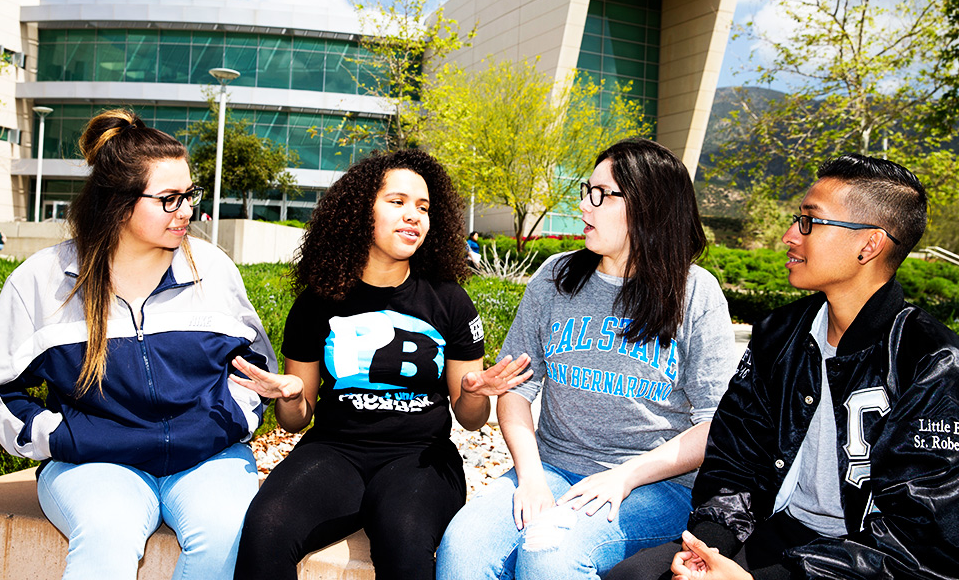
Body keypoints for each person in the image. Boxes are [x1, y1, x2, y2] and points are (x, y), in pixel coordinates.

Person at [608, 153, 959, 580]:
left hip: (862, 559)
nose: (790, 235)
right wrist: (709, 549)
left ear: (869, 244)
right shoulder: (781, 334)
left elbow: (922, 542)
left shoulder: (932, 361)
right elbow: (734, 460)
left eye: (810, 221)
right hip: (780, 530)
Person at [0, 109, 277, 580]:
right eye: (169, 199)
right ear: (117, 202)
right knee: (108, 534)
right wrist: (56, 435)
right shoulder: (44, 279)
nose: (186, 210)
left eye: (189, 195)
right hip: (95, 463)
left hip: (209, 457)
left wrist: (234, 413)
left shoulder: (213, 268)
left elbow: (254, 367)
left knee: (229, 534)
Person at [436, 138, 736, 580]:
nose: (584, 207)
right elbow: (516, 390)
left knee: (548, 552)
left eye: (601, 194)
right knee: (463, 549)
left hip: (654, 484)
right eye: (585, 190)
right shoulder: (555, 278)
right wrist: (532, 475)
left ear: (649, 205)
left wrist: (625, 476)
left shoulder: (695, 292)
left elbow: (715, 422)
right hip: (552, 466)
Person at [231, 149, 531, 580]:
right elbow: (295, 421)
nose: (413, 215)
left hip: (421, 460)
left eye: (423, 207)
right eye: (398, 202)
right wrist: (294, 398)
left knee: (404, 537)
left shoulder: (449, 301)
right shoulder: (317, 302)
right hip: (334, 451)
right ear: (359, 210)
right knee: (266, 527)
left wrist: (471, 391)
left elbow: (471, 420)